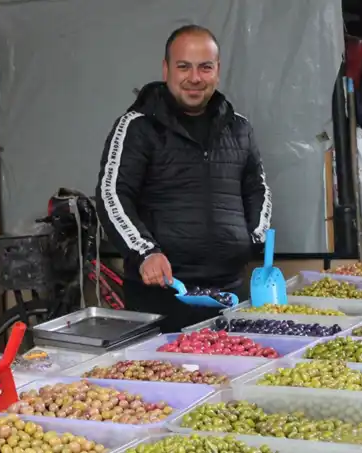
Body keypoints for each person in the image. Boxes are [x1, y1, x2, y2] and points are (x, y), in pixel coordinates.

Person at [94, 25, 271, 332]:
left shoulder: (239, 128)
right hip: (162, 298)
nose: (194, 78)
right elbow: (112, 194)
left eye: (205, 67)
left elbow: (257, 188)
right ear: (166, 69)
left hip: (230, 293)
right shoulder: (137, 127)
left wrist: (253, 237)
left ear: (217, 70)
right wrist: (145, 251)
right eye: (183, 67)